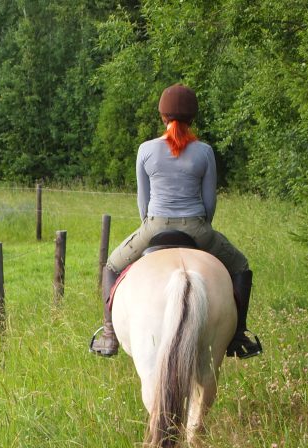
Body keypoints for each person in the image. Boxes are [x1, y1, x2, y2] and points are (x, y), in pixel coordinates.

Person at [91, 84, 262, 359]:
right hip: (196, 226)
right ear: (192, 119)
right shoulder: (205, 152)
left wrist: (151, 227)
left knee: (111, 265)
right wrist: (202, 230)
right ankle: (239, 335)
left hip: (155, 225)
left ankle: (109, 336)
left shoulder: (145, 150)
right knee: (241, 266)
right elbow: (210, 203)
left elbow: (142, 203)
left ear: (162, 117)